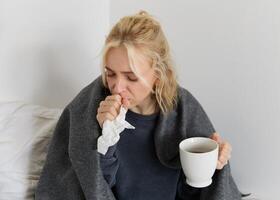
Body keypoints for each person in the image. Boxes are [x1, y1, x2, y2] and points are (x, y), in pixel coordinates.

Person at [36, 11, 241, 200]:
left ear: (159, 76)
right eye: (110, 73)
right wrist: (105, 140)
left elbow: (191, 193)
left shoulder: (184, 111)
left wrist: (215, 164)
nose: (117, 87)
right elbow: (92, 188)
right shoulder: (88, 109)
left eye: (131, 77)